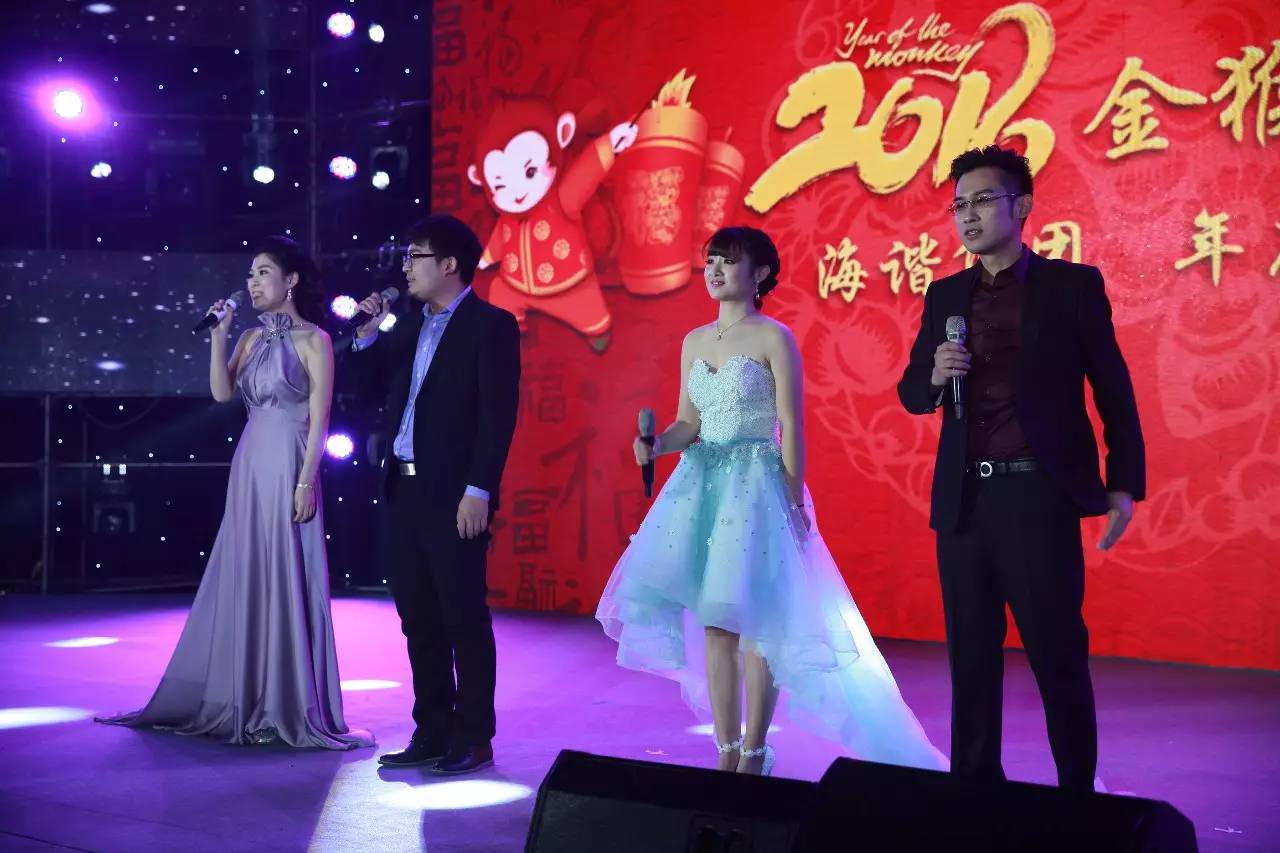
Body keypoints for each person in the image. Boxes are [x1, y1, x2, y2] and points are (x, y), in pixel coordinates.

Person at [597, 226, 947, 776]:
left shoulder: (773, 338)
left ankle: (755, 753)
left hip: (757, 487)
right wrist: (656, 445)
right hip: (702, 486)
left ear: (759, 273)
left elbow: (791, 424)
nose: (715, 271)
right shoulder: (694, 341)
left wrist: (793, 499)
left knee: (760, 624)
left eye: (728, 261)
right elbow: (688, 422)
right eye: (710, 261)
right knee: (716, 624)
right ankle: (725, 750)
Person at [897, 145, 1145, 791]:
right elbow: (912, 392)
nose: (968, 215)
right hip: (964, 503)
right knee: (971, 660)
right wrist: (934, 375)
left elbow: (1112, 389)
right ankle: (975, 793)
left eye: (982, 200)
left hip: (1037, 496)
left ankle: (1077, 799)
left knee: (1057, 654)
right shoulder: (945, 294)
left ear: (1023, 206)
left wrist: (1123, 481)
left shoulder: (1071, 287)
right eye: (959, 205)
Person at [98, 236, 373, 750]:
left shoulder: (315, 340)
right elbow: (222, 394)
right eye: (250, 273)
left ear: (291, 280)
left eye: (263, 272)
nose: (252, 282)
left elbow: (320, 421)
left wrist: (306, 480)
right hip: (250, 463)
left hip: (289, 462)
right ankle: (243, 694)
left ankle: (286, 700)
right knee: (247, 570)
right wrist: (219, 337)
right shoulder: (248, 337)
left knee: (288, 572)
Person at [348, 214, 521, 775]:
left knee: (462, 616)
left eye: (415, 256)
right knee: (417, 616)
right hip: (402, 487)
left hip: (454, 493)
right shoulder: (406, 327)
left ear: (449, 264)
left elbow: (497, 417)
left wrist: (479, 489)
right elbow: (367, 387)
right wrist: (366, 333)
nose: (405, 267)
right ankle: (431, 731)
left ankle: (473, 736)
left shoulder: (491, 326)